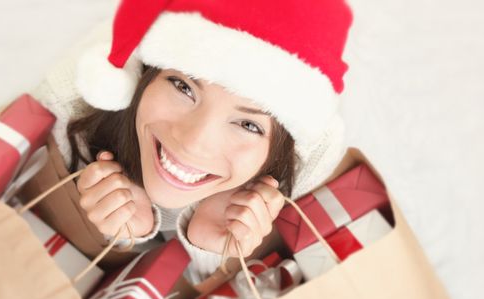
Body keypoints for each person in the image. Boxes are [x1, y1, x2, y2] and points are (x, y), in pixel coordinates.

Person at [31, 0, 353, 282]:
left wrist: (211, 249)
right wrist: (119, 232)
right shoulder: (75, 113)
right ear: (144, 76)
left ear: (278, 151)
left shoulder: (296, 179)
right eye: (183, 87)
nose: (194, 143)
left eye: (247, 124)